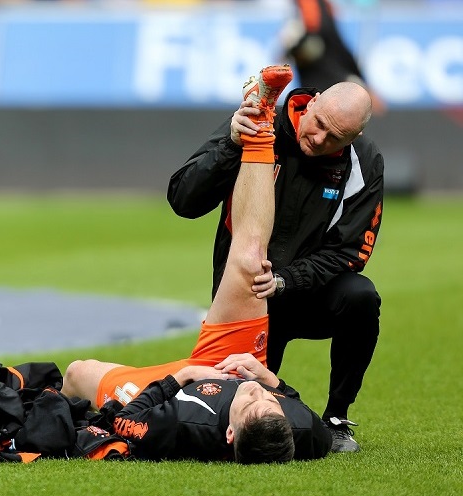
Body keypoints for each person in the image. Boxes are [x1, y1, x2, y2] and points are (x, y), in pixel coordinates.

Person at [62, 65, 332, 464]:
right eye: (271, 403)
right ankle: (261, 116)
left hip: (170, 390)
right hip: (229, 356)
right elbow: (305, 417)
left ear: (228, 431)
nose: (256, 392)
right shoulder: (302, 432)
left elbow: (124, 424)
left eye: (249, 403)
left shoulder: (186, 426)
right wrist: (269, 379)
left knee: (77, 373)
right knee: (251, 259)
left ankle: (50, 404)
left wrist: (181, 378)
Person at [167, 67, 383, 453]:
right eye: (317, 123)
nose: (317, 138)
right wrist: (232, 144)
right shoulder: (258, 122)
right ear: (312, 101)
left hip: (304, 291)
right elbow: (183, 199)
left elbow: (351, 251)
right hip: (248, 294)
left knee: (361, 297)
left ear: (356, 136)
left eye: (334, 136)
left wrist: (286, 280)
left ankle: (336, 419)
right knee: (236, 416)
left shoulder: (363, 162)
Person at [280, 0, 386, 114]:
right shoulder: (308, 9)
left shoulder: (313, 7)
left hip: (332, 86)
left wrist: (363, 84)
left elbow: (325, 43)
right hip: (318, 89)